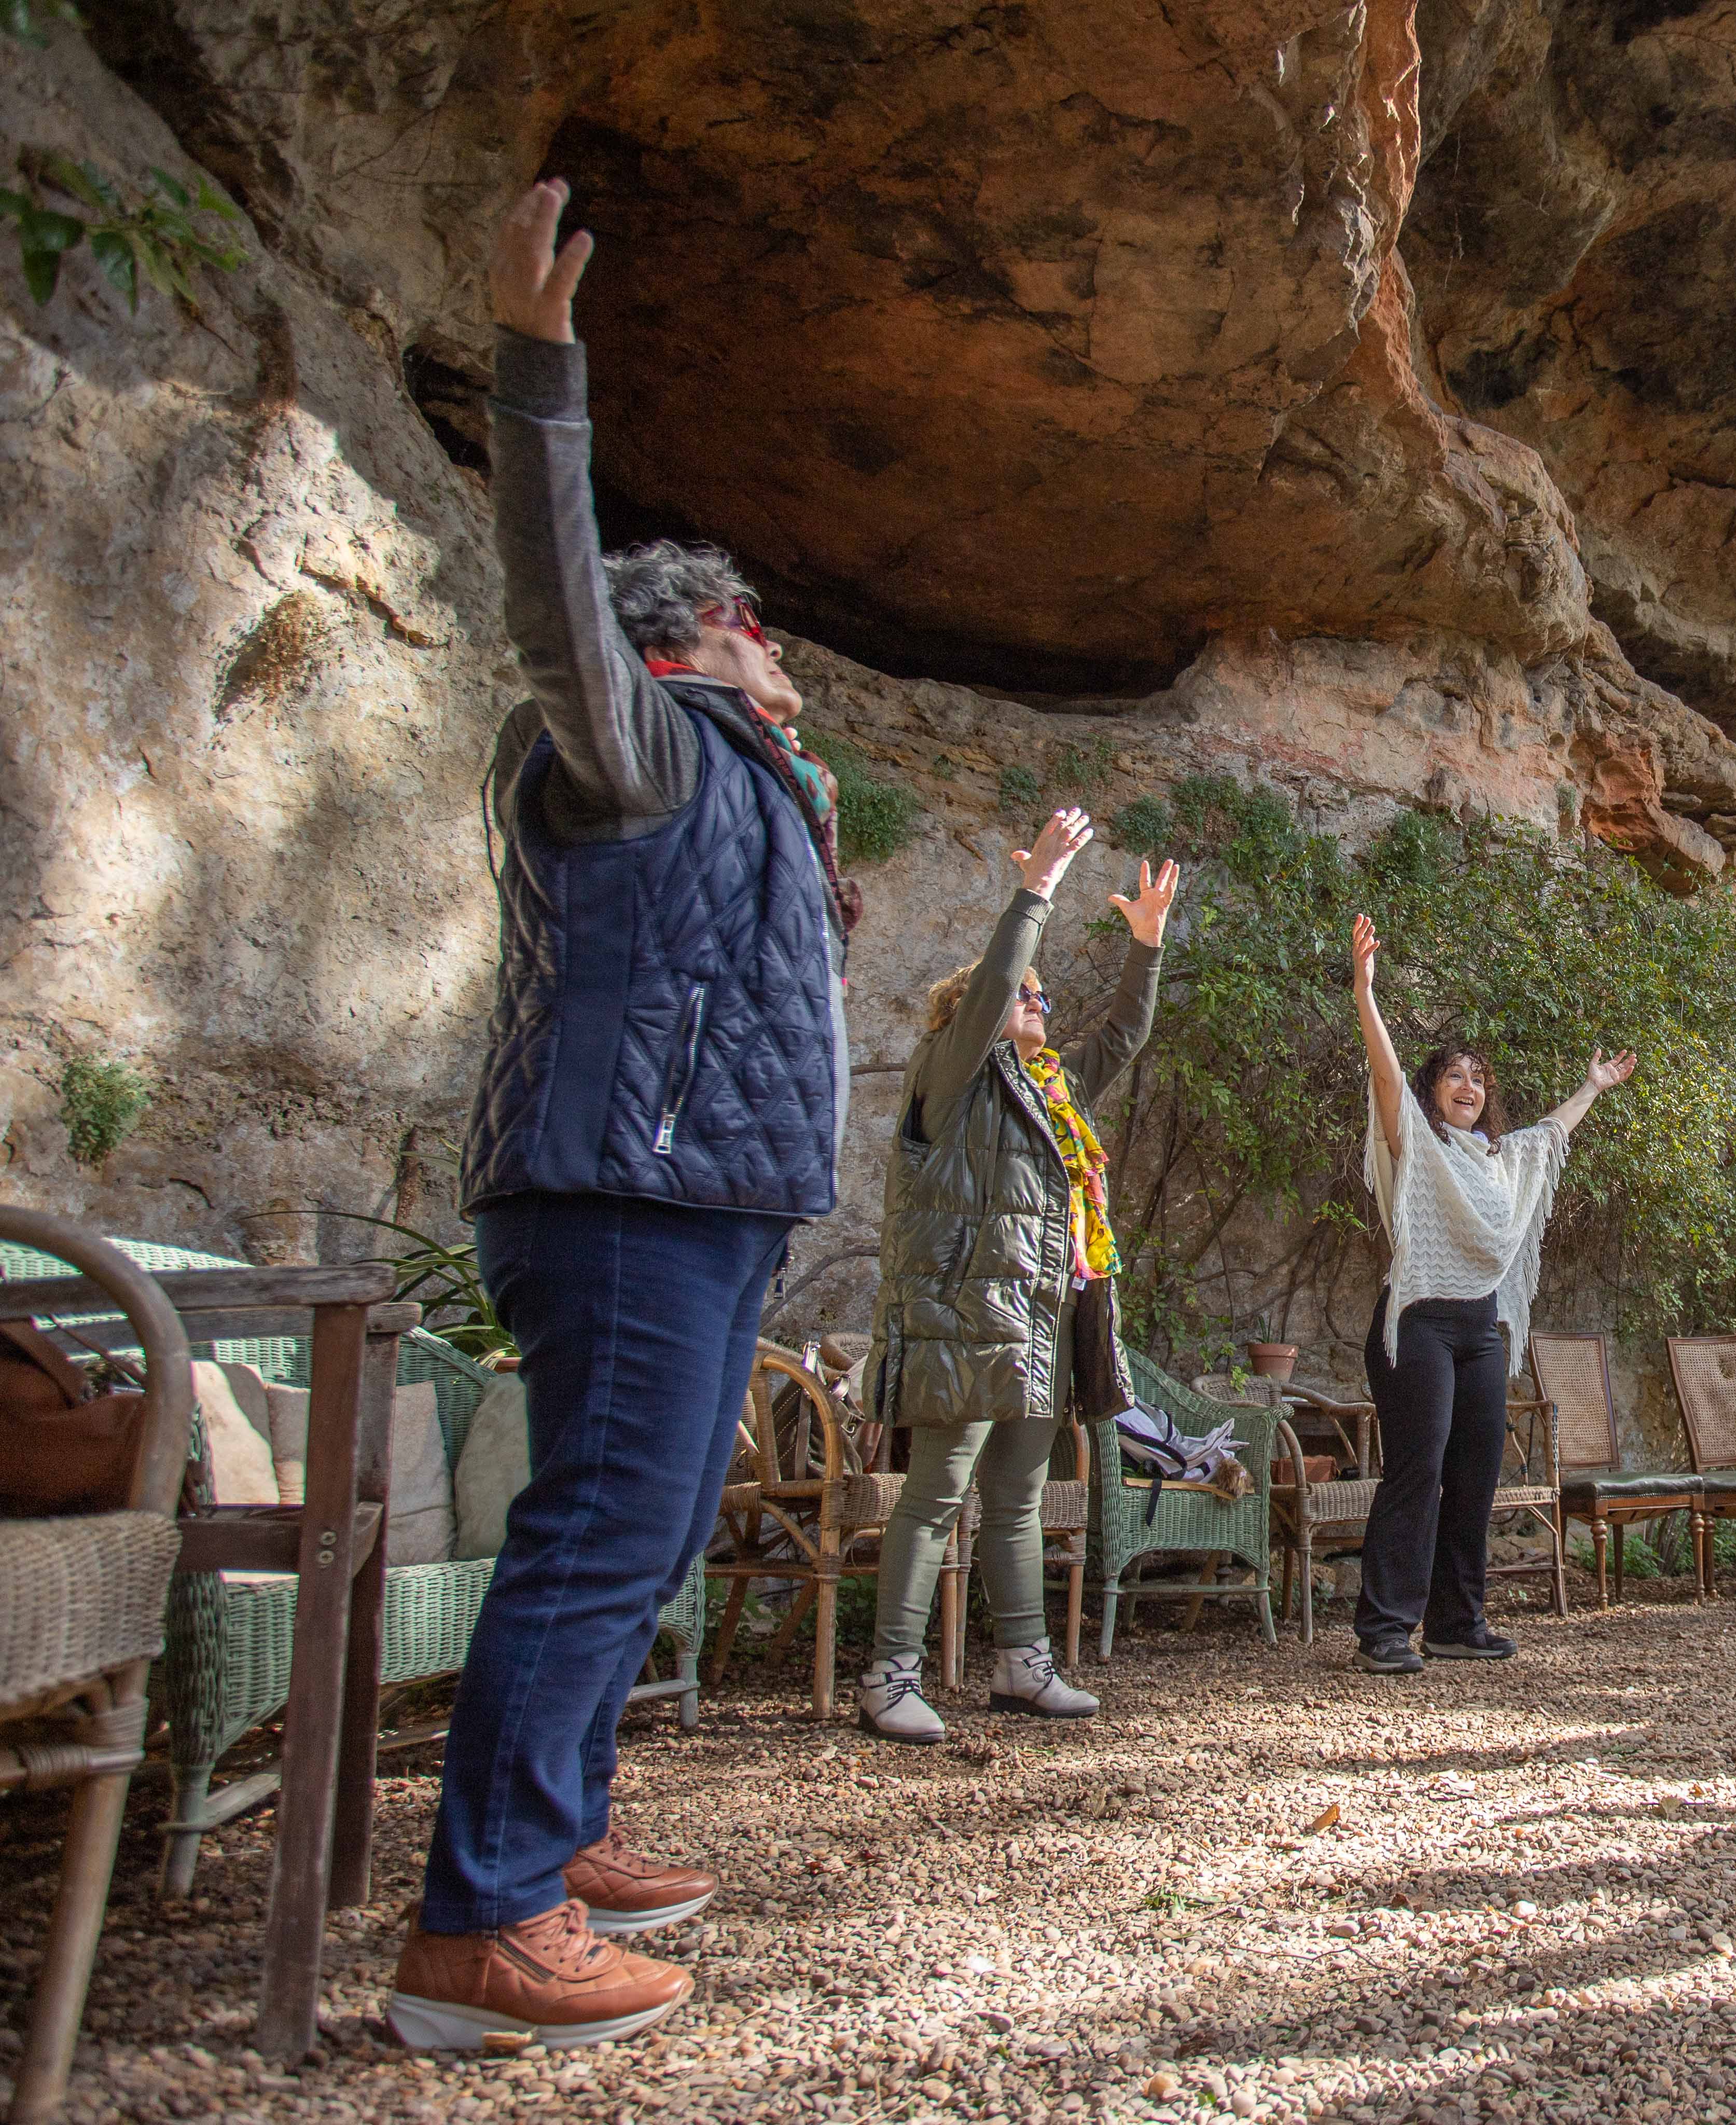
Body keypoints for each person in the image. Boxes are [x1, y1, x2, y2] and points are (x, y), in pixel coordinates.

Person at [394, 182, 854, 2050]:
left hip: (696, 1199)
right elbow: (554, 597)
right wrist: (536, 377)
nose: (783, 649)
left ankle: (554, 1834)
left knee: (646, 1529)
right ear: (695, 635)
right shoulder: (642, 732)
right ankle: (479, 1927)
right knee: (602, 1530)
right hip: (626, 1196)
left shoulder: (742, 778)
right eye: (759, 623)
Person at [853, 820, 1179, 1744]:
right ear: (970, 1014)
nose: (1037, 1000)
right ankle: (888, 1675)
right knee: (934, 1495)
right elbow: (998, 978)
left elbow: (1121, 1035)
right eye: (1024, 994)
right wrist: (1034, 891)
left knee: (1018, 1501)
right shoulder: (951, 1075)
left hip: (1038, 1321)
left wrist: (1146, 946)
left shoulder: (1047, 1091)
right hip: (964, 1314)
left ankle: (1020, 1665)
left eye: (1040, 993)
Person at [1350, 914, 1634, 1675]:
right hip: (1416, 1323)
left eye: (1478, 1077)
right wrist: (1365, 994)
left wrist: (1592, 1088)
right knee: (1419, 1467)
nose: (1468, 1087)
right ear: (1431, 1093)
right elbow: (1384, 1075)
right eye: (1453, 1076)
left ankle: (1455, 1623)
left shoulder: (1502, 1159)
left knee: (1476, 1473)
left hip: (1481, 1329)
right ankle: (1384, 1629)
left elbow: (1550, 1135)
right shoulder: (1414, 1144)